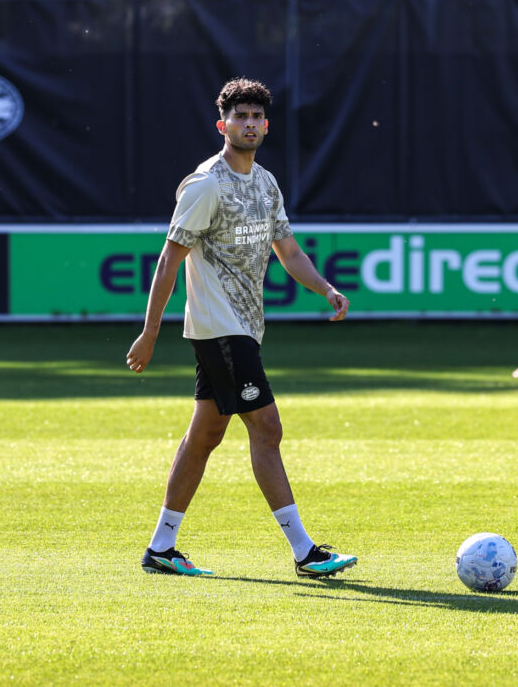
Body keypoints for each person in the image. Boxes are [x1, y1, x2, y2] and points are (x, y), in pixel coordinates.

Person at [126, 77, 356, 579]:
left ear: (266, 125)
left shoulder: (266, 183)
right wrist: (150, 331)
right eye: (240, 117)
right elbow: (169, 259)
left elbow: (289, 252)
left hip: (243, 328)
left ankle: (161, 547)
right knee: (266, 427)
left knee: (205, 434)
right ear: (222, 124)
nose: (249, 124)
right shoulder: (206, 183)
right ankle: (304, 551)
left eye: (256, 117)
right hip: (218, 326)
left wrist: (325, 289)